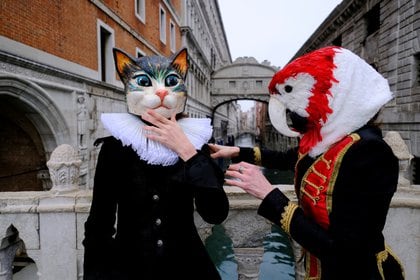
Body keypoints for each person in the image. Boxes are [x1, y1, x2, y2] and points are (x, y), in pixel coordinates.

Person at [209, 46, 404, 279]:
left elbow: (345, 251)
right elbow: (291, 158)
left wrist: (270, 195)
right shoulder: (332, 139)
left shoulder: (371, 153)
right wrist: (237, 151)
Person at [82, 47, 229, 280]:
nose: (161, 93)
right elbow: (100, 224)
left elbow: (215, 214)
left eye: (171, 81)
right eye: (145, 82)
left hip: (188, 268)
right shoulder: (115, 148)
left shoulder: (195, 143)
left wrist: (187, 151)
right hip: (130, 269)